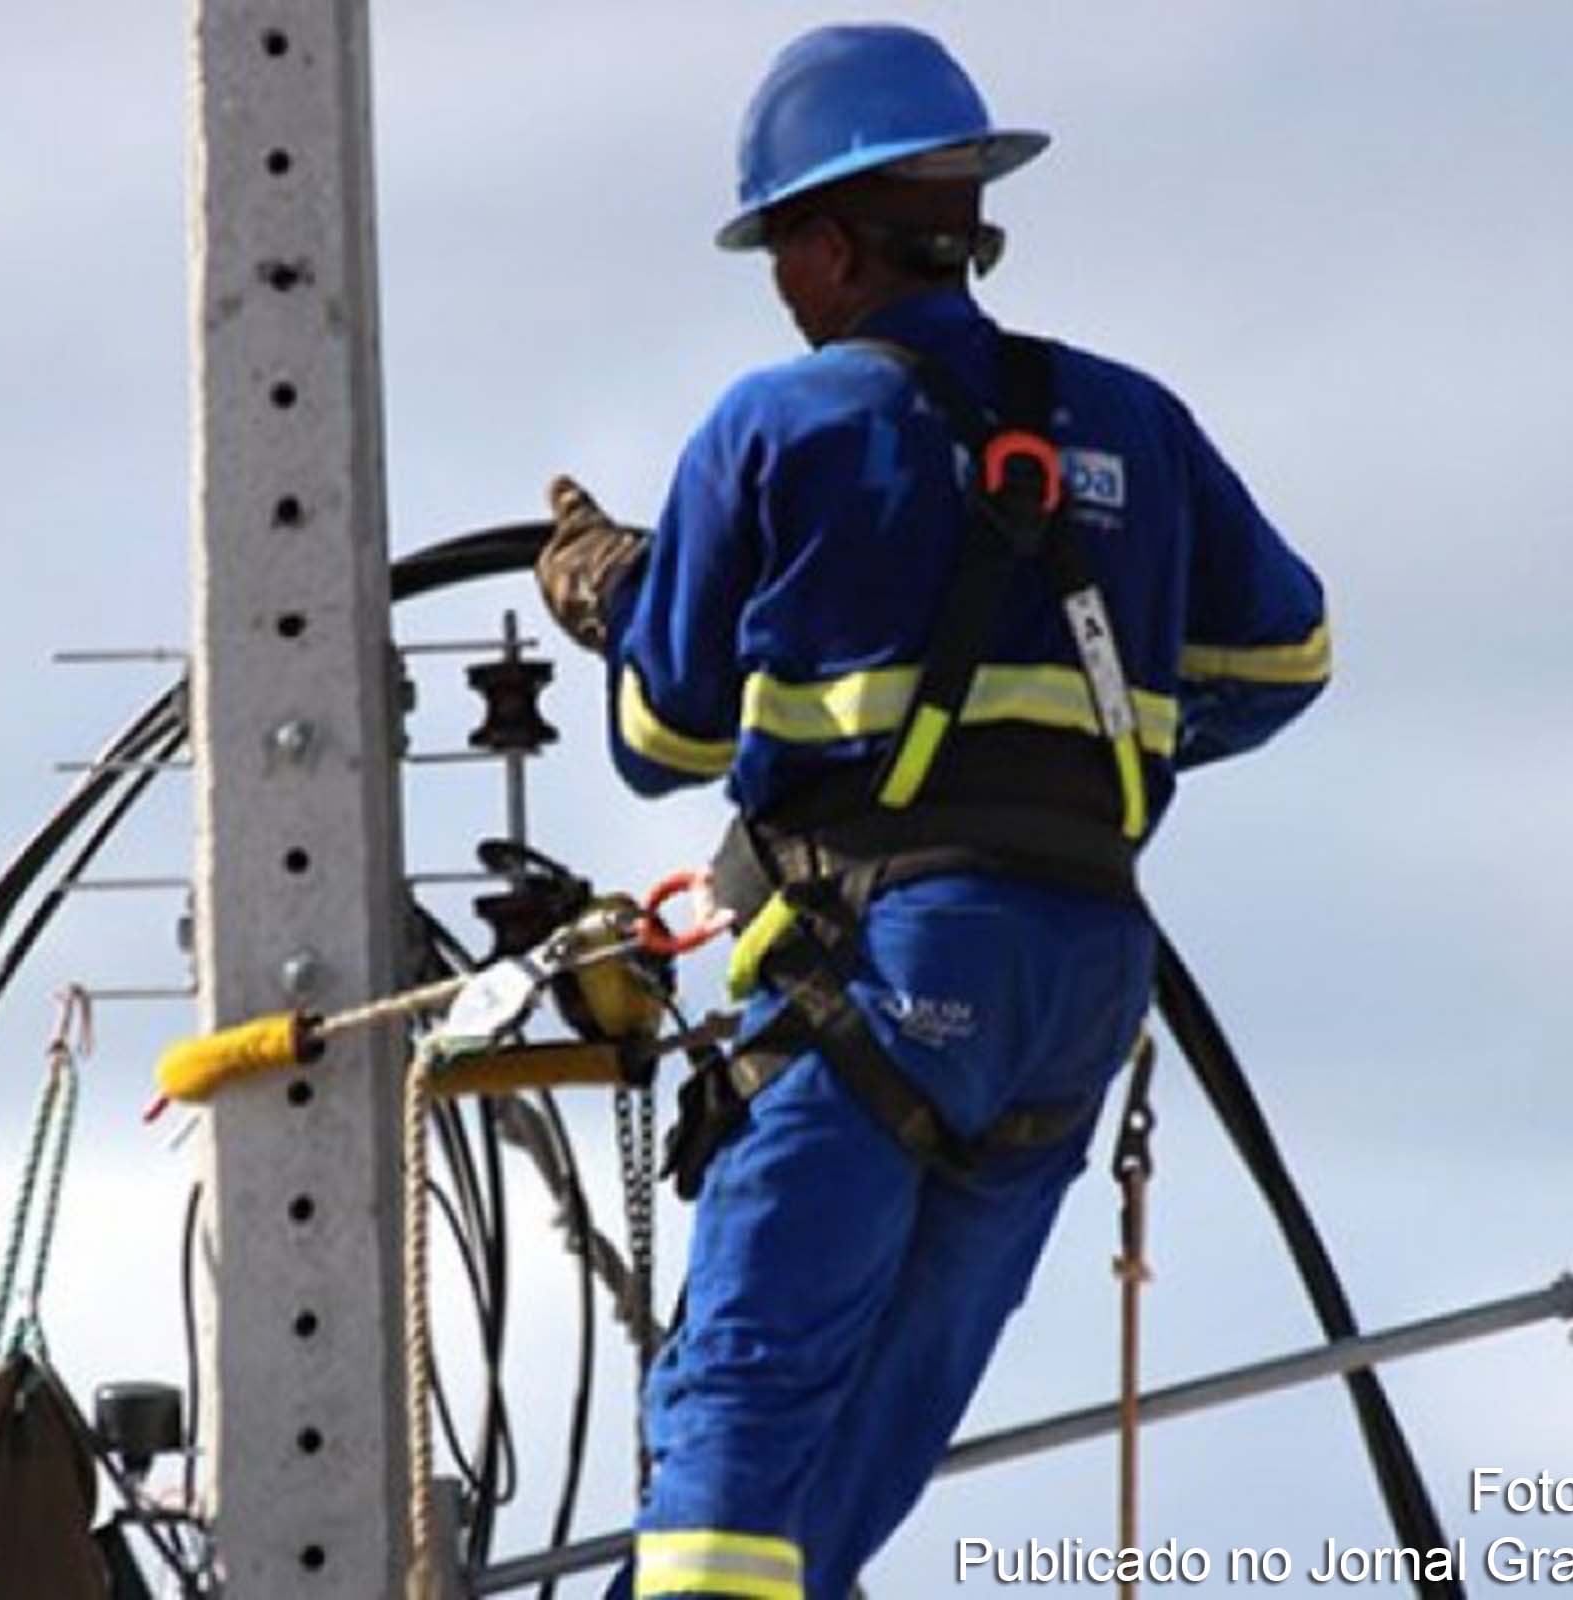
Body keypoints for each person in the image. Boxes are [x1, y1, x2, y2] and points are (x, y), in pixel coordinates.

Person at [536, 24, 1330, 1599]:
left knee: (737, 1440)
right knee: (845, 1478)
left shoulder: (779, 425)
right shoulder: (1135, 423)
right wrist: (1081, 751)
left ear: (829, 241)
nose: (780, 281)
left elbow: (660, 735)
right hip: (1072, 987)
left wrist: (619, 593)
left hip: (877, 976)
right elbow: (1288, 657)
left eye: (780, 249)